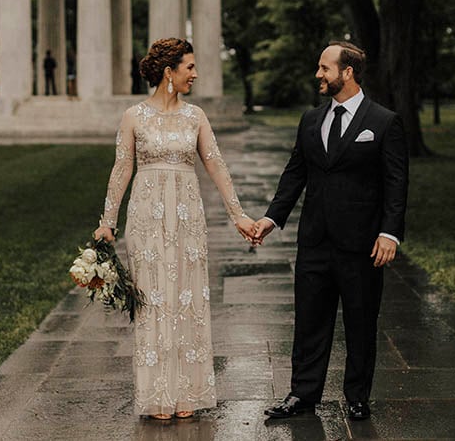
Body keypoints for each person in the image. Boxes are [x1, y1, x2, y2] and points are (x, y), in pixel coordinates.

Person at [93, 37, 258, 420]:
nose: (195, 75)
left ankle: (187, 391)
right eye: (190, 68)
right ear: (169, 72)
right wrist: (107, 223)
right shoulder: (134, 116)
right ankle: (157, 394)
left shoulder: (196, 116)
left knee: (187, 300)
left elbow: (216, 165)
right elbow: (122, 169)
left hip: (187, 218)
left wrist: (238, 215)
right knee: (152, 302)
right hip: (146, 220)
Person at [252, 41, 408, 422]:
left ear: (348, 72)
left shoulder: (383, 121)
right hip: (315, 241)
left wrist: (390, 233)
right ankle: (302, 395)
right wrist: (272, 219)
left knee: (360, 322)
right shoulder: (311, 119)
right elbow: (295, 174)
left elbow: (396, 182)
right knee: (309, 322)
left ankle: (357, 396)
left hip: (362, 244)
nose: (318, 74)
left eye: (325, 68)